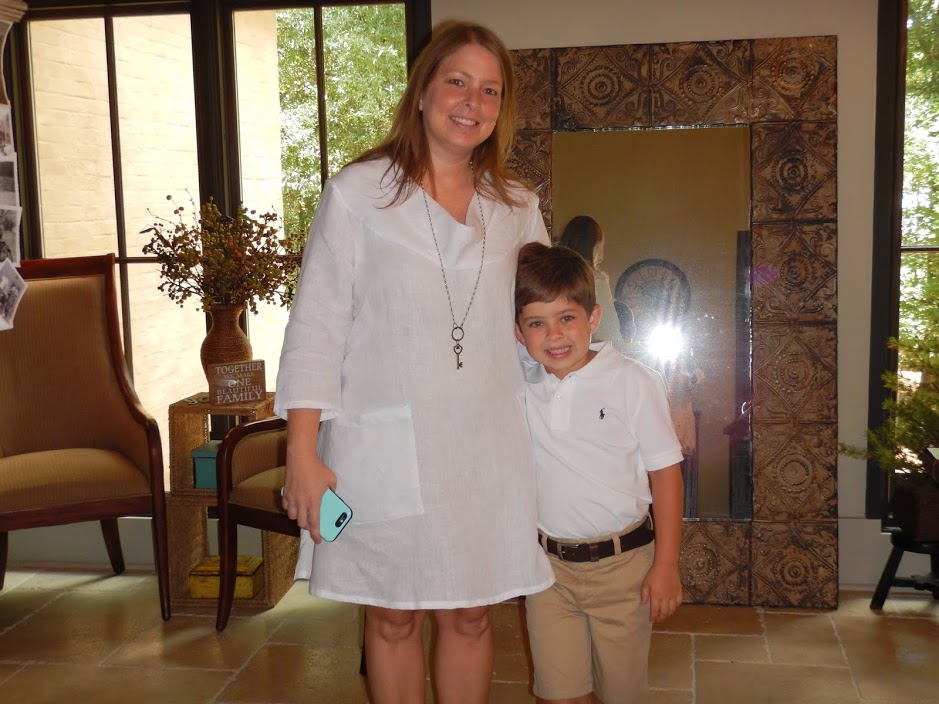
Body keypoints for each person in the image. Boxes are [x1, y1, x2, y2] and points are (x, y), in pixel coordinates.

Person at [274, 20, 555, 704]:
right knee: (392, 615)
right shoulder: (358, 193)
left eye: (489, 90)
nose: (472, 101)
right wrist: (301, 452)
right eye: (457, 81)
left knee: (472, 612)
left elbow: (549, 323)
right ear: (423, 91)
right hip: (384, 443)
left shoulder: (516, 208)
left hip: (486, 447)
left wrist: (629, 389)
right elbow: (316, 327)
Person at [513, 242, 685, 704]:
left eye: (566, 317)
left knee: (620, 694)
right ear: (519, 333)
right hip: (549, 570)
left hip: (623, 569)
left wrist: (666, 564)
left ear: (593, 317)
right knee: (558, 694)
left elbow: (666, 475)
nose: (554, 335)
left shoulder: (633, 381)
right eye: (536, 323)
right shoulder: (523, 388)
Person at [556, 214, 627, 353]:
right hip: (594, 355)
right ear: (596, 245)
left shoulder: (552, 277)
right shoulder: (595, 280)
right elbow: (609, 333)